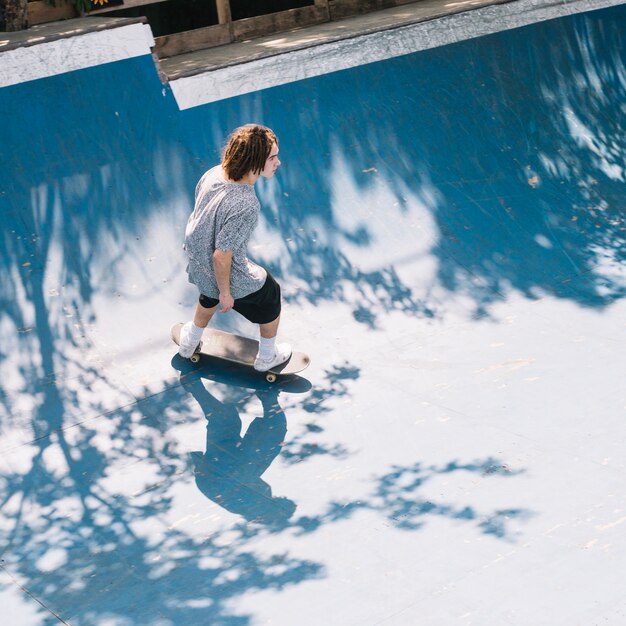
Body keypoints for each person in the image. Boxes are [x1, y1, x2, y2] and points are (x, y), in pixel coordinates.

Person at [177, 124, 291, 371]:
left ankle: (189, 342)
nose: (278, 162)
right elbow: (221, 256)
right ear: (254, 162)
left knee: (208, 295)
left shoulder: (214, 173)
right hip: (221, 272)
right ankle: (267, 357)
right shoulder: (246, 204)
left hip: (197, 261)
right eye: (272, 157)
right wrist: (226, 293)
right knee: (270, 294)